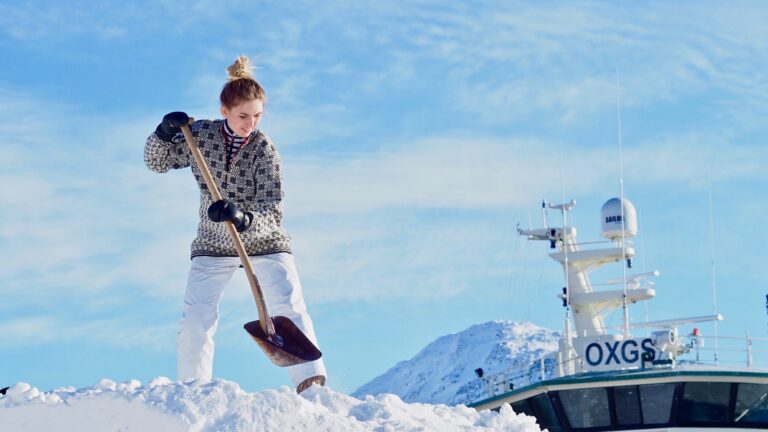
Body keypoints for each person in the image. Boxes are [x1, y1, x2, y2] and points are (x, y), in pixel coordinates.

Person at [144, 56, 326, 394]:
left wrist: (243, 219)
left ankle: (311, 383)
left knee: (288, 304)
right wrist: (164, 133)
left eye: (257, 116)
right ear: (224, 110)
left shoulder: (264, 149)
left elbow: (273, 207)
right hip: (213, 243)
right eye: (243, 116)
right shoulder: (201, 136)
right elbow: (157, 162)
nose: (250, 124)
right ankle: (193, 390)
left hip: (263, 240)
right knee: (196, 317)